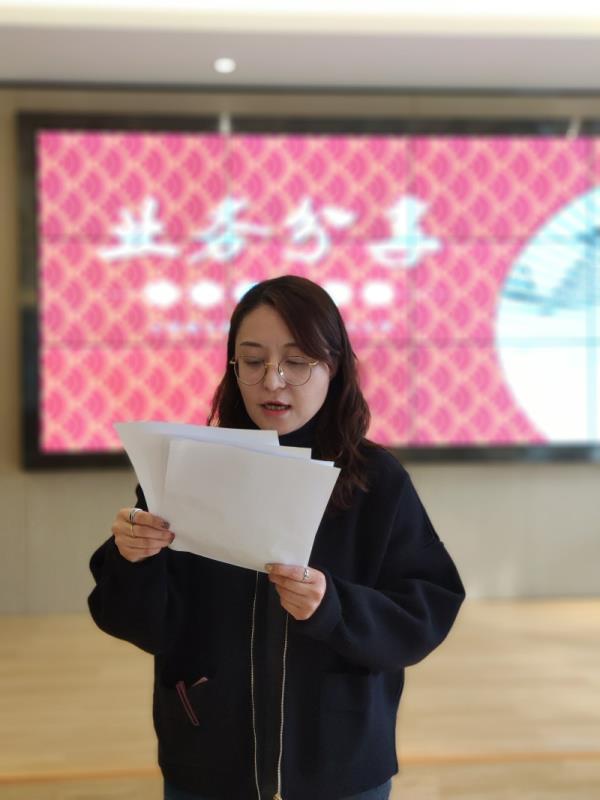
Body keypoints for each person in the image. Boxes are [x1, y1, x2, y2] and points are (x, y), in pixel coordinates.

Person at [88, 274, 465, 800]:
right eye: (253, 360)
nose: (272, 380)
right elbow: (139, 623)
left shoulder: (377, 481)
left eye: (296, 361)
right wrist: (132, 559)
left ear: (334, 366)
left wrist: (333, 607)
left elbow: (425, 610)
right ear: (233, 367)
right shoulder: (189, 468)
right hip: (206, 761)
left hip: (341, 763)